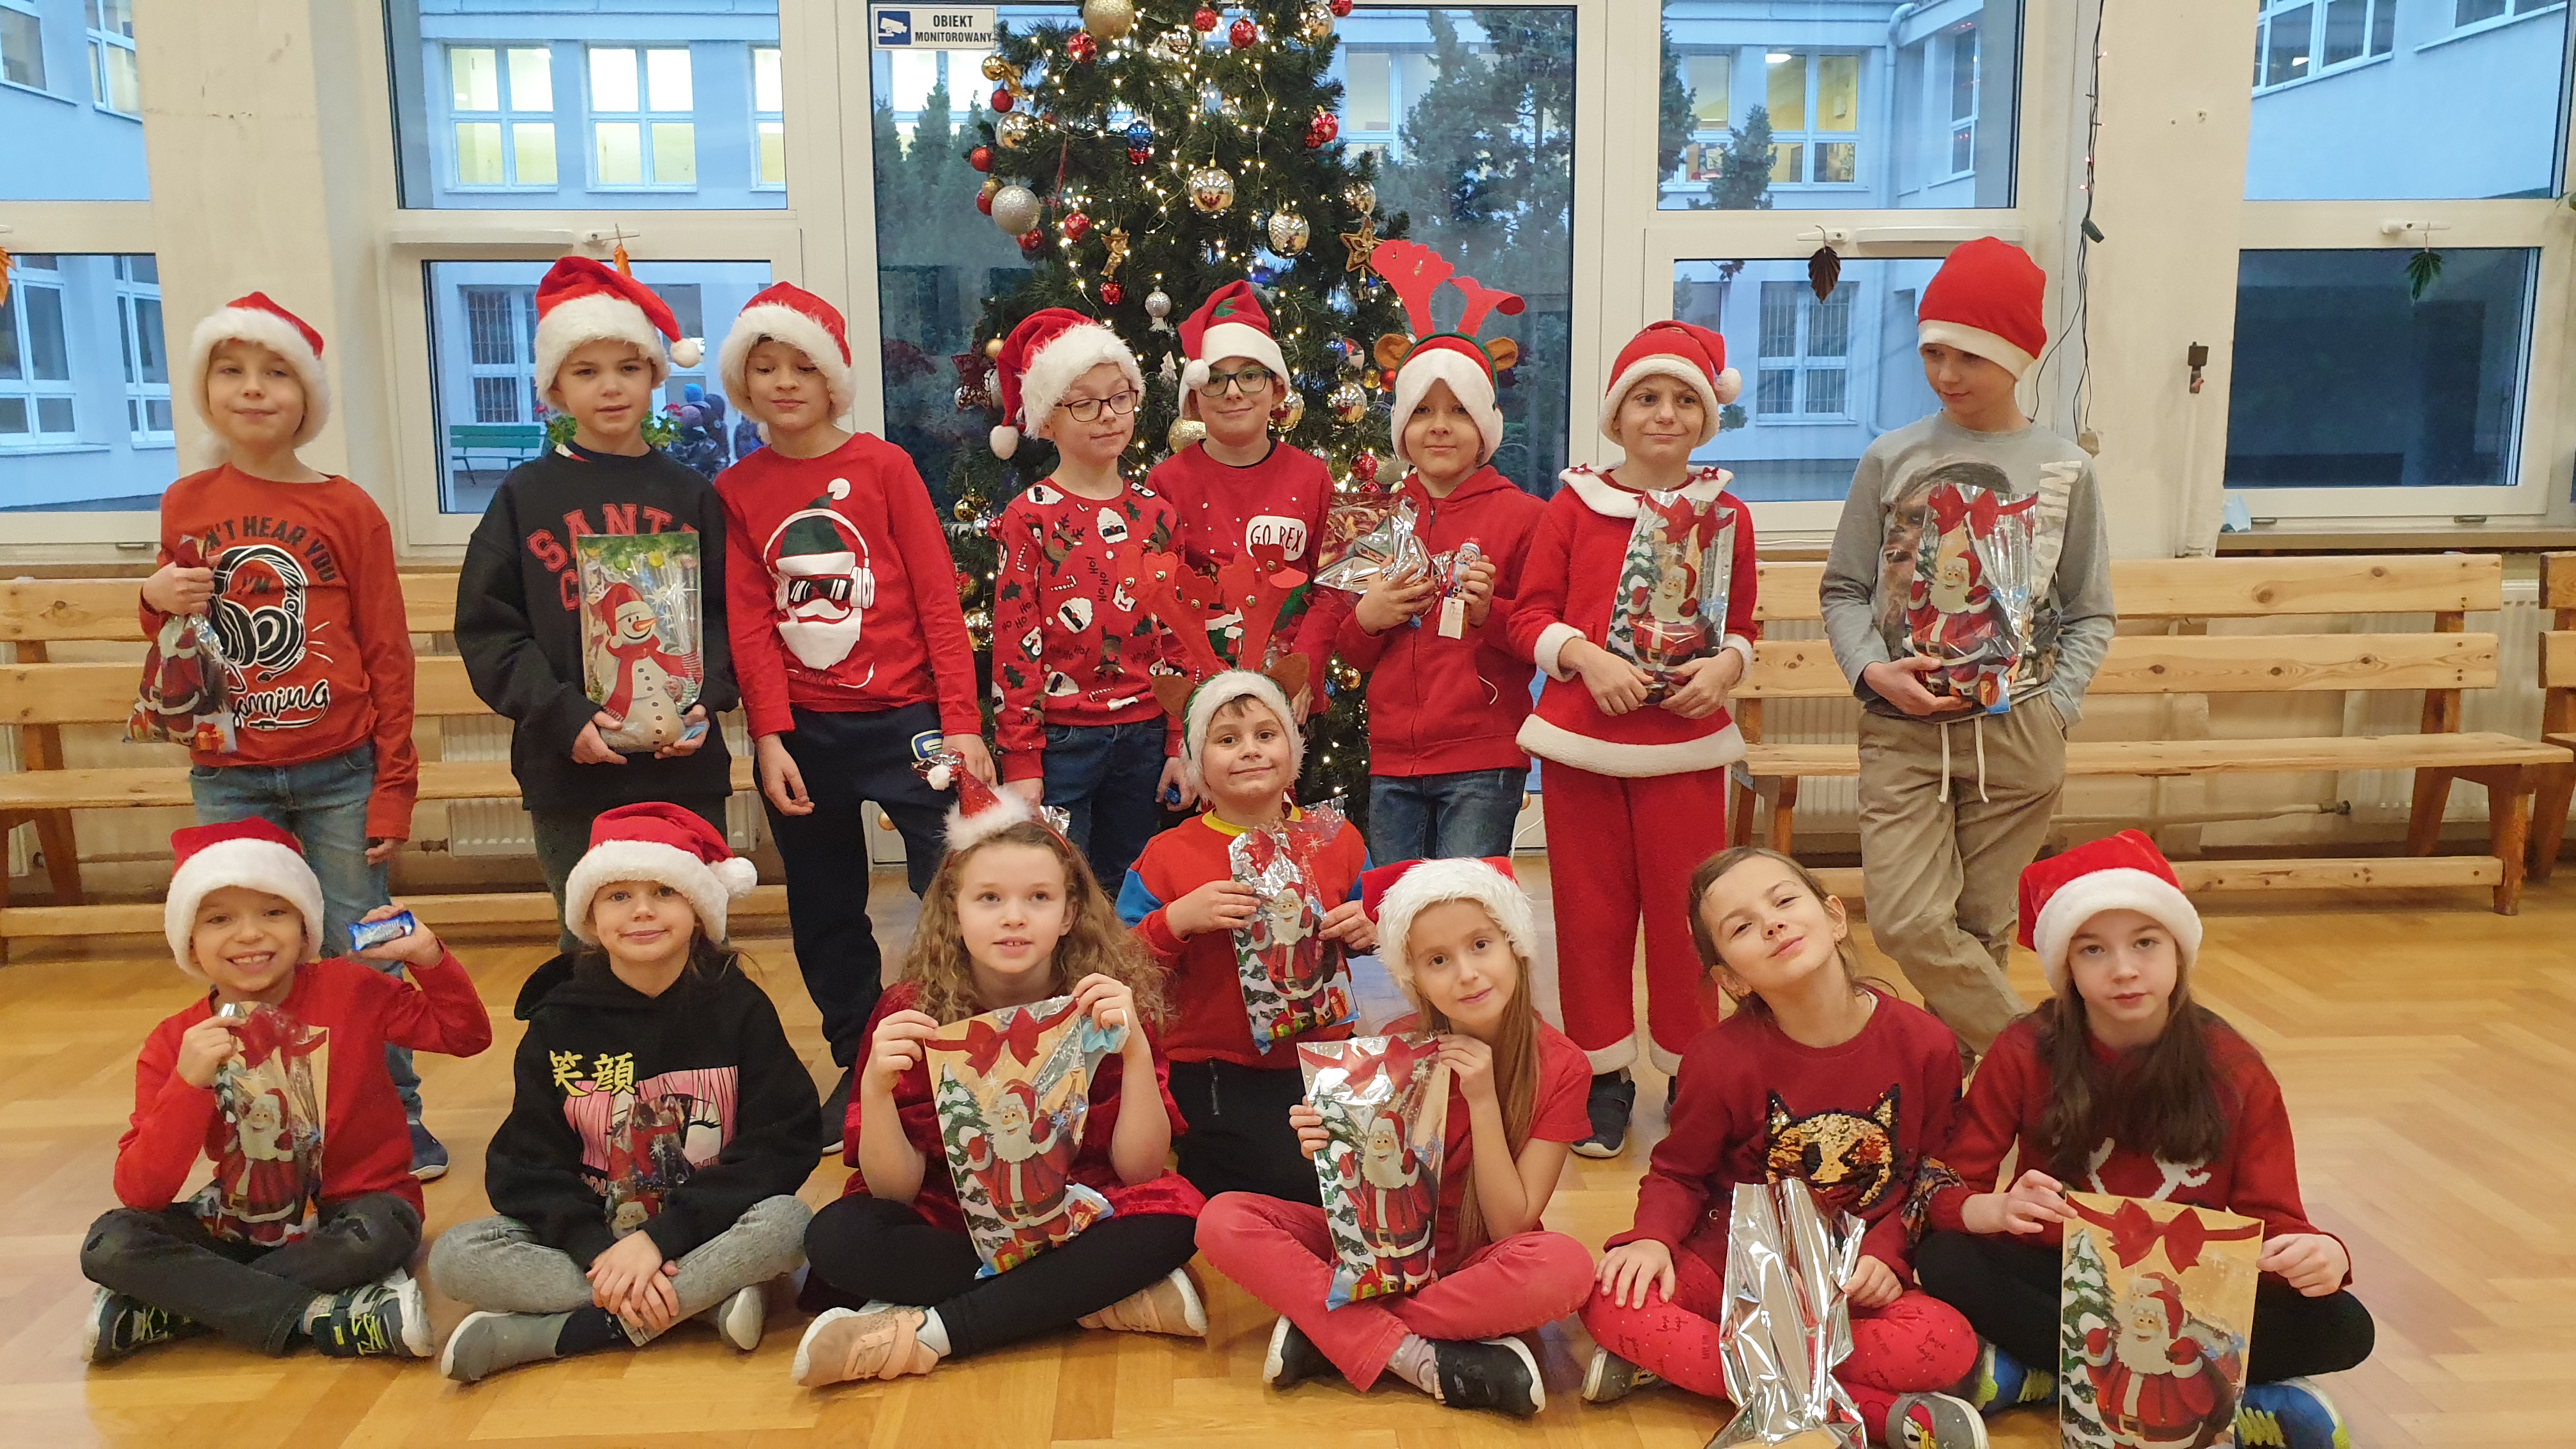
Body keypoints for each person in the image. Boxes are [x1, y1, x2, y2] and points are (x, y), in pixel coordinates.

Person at [1914, 831, 2373, 1449]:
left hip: (2190, 1295)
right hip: (2067, 1275)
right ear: (2067, 968)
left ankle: (2045, 1376)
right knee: (1945, 1260)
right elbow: (1943, 1187)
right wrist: (1993, 1208)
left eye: (2146, 943)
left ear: (2180, 951)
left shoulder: (2233, 1068)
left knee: (2345, 1325)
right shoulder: (2024, 1051)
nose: (2124, 969)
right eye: (2093, 950)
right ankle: (2226, 1398)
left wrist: (2320, 1255)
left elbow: (2275, 1221)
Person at [141, 294, 444, 1176]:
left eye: (276, 372)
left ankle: (394, 1116)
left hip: (343, 771)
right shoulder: (186, 501)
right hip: (227, 772)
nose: (253, 388)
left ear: (308, 394)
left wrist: (395, 785)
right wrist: (151, 598)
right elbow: (175, 633)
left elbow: (388, 653)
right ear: (204, 391)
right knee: (242, 949)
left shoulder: (348, 508)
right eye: (231, 371)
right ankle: (264, 1117)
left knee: (365, 946)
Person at [793, 769, 1205, 1386]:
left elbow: (1141, 1170)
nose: (1014, 918)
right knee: (838, 1238)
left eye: (1038, 898)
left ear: (1069, 913)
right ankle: (1086, 1300)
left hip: (1081, 1207)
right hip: (951, 1213)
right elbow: (893, 1191)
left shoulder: (1103, 1000)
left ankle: (932, 1331)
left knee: (1176, 1220)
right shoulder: (912, 1008)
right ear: (953, 912)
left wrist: (1139, 1053)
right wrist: (874, 1091)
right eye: (989, 899)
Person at [1579, 846, 1988, 1448]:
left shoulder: (1925, 1043)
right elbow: (1679, 1173)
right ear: (1732, 978)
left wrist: (1889, 1256)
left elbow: (1930, 1176)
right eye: (1742, 927)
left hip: (1854, 1283)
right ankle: (1883, 1417)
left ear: (1834, 916)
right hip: (1733, 1271)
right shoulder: (1717, 1060)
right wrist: (1651, 1239)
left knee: (1946, 1343)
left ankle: (1689, 1369)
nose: (1772, 924)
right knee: (1611, 1298)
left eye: (1784, 901)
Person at [1818, 236, 2115, 1058]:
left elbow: (2090, 610)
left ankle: (1971, 1100)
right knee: (1911, 921)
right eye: (1933, 352)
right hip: (1903, 729)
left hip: (2020, 734)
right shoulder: (1889, 459)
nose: (1947, 374)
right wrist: (1871, 671)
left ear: (2019, 356)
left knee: (1981, 929)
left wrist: (2057, 708)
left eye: (1971, 356)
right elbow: (1843, 590)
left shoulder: (2065, 470)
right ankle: (2049, 1069)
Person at [712, 282, 993, 1152]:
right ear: (743, 382)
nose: (784, 382)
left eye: (802, 366)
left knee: (951, 886)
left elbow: (938, 600)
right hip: (805, 733)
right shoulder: (737, 489)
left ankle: (958, 1038)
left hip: (909, 719)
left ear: (833, 379)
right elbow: (750, 623)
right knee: (825, 906)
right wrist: (768, 735)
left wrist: (962, 720)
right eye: (765, 367)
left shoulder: (884, 467)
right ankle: (860, 1058)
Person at [431, 803, 818, 1383]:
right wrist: (599, 1250)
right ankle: (700, 1302)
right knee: (455, 1256)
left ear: (698, 909)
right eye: (618, 896)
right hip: (598, 1240)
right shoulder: (558, 1022)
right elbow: (527, 1166)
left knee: (789, 1224)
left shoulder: (739, 1008)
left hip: (705, 1227)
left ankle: (562, 1333)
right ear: (590, 916)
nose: (642, 910)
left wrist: (661, 1241)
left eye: (664, 891)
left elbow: (780, 1144)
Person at [1197, 857, 1596, 1418]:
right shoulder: (1397, 1042)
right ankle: (1413, 1354)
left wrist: (1483, 1101)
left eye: (1481, 945)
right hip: (1382, 1259)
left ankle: (1330, 1332)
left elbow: (1511, 1225)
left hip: (1478, 1265)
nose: (1466, 974)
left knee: (1566, 1267)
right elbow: (1365, 1196)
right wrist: (1329, 1145)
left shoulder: (1563, 1067)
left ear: (1515, 945)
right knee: (1222, 1219)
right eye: (1438, 960)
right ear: (1415, 978)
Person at [80, 820, 493, 1362]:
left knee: (377, 1234)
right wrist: (187, 1085)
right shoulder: (176, 1041)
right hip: (242, 1221)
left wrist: (430, 960)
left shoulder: (351, 989)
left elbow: (465, 1036)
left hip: (356, 1212)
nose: (250, 935)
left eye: (274, 913)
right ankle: (328, 1316)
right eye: (219, 919)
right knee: (109, 1243)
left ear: (305, 930)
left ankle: (184, 1308)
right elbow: (142, 1192)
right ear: (190, 943)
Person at [1504, 321, 1759, 1156]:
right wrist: (1583, 659)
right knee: (1590, 916)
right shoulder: (1573, 508)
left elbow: (1742, 625)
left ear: (1707, 417)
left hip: (1685, 750)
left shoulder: (1729, 517)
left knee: (1693, 919)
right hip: (1585, 746)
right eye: (1647, 397)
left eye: (1685, 398)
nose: (1665, 413)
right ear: (1616, 416)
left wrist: (1726, 667)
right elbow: (1529, 617)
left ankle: (1695, 1069)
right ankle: (1602, 1074)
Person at [456, 257, 739, 960]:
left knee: (693, 938)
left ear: (655, 376)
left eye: (628, 367)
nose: (611, 386)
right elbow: (489, 631)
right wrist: (561, 717)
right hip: (571, 770)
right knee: (589, 945)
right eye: (586, 371)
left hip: (683, 766)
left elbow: (729, 614)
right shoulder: (524, 497)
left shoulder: (693, 494)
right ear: (555, 387)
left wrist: (705, 699)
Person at [1117, 670, 1376, 1202]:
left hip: (1323, 1057)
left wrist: (1370, 927)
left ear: (1292, 748)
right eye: (1227, 740)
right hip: (1215, 1068)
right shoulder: (1168, 855)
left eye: (1266, 734)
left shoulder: (1338, 839)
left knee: (1340, 1187)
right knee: (1253, 1190)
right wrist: (1176, 921)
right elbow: (1120, 962)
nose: (1250, 751)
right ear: (1199, 765)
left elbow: (1378, 921)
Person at [985, 308, 1187, 888]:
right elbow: (1015, 645)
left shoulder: (1157, 514)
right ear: (1047, 420)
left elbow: (1177, 635)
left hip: (1145, 734)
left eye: (1120, 398)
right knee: (1061, 886)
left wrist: (1180, 741)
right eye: (1084, 403)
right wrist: (1022, 759)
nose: (1107, 415)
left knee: (1131, 886)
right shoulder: (1029, 517)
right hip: (1061, 741)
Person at [1338, 335, 1545, 863]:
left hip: (1483, 755)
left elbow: (1541, 633)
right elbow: (1354, 652)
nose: (1439, 426)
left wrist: (1489, 614)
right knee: (1398, 902)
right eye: (1422, 411)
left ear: (1486, 428)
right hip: (1393, 759)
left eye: (1459, 410)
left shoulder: (1524, 517)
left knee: (1468, 899)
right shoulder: (1378, 519)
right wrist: (1368, 619)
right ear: (1401, 428)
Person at [1147, 282, 1342, 691]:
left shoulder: (1313, 477)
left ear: (1277, 388)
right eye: (1215, 380)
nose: (1233, 392)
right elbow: (1163, 601)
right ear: (1194, 399)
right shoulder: (1166, 483)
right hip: (1201, 692)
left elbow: (1330, 587)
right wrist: (1200, 688)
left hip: (1289, 690)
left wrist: (1304, 671)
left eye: (1250, 376)